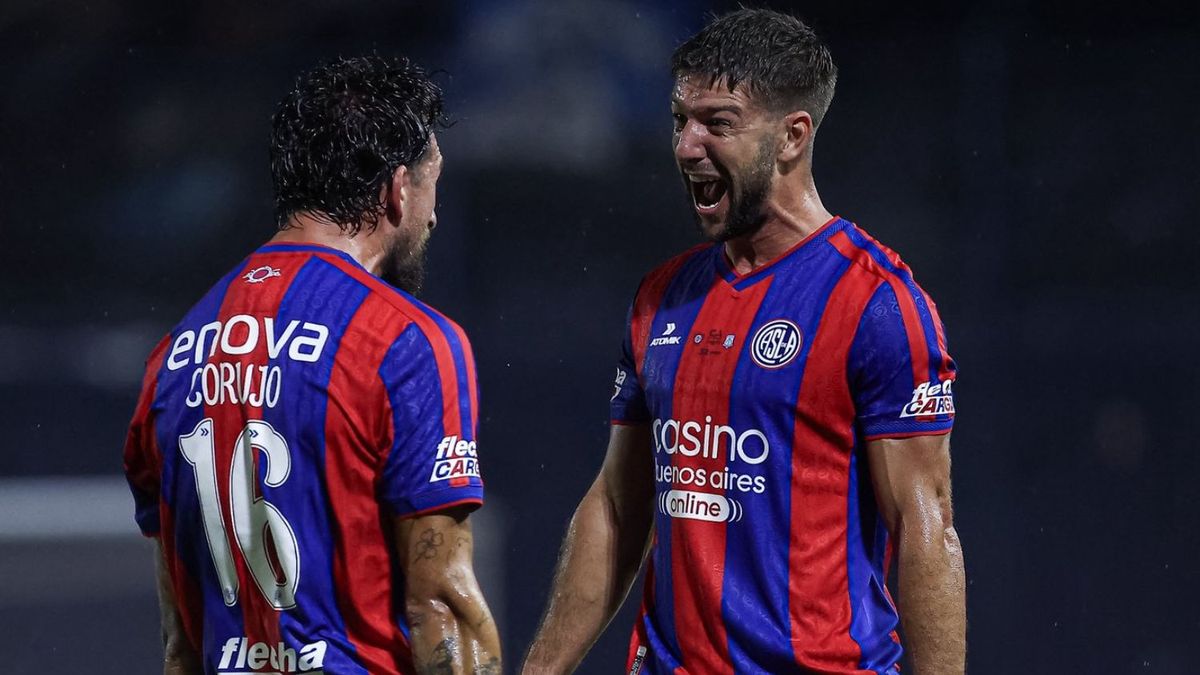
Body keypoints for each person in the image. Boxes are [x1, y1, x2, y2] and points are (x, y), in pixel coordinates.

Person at [523, 9, 964, 675]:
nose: (686, 146)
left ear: (792, 136)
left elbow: (927, 529)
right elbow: (616, 506)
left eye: (717, 123)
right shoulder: (661, 298)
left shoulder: (876, 304)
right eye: (680, 120)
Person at [123, 55, 501, 675]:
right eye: (433, 186)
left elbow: (180, 644)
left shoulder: (172, 356)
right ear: (399, 190)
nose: (434, 216)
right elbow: (439, 604)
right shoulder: (407, 341)